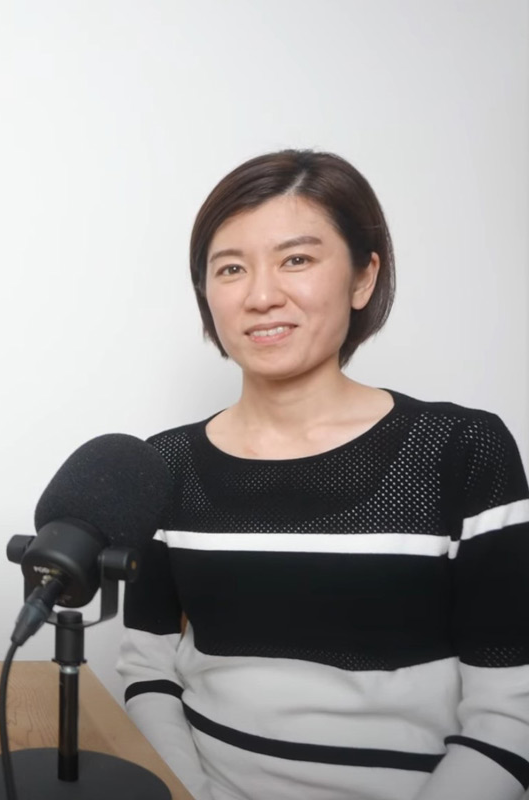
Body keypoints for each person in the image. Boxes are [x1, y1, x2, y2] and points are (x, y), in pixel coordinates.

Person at [118, 150, 529, 800]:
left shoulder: (461, 451)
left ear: (365, 278)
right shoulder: (162, 466)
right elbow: (148, 671)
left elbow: (512, 712)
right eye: (230, 269)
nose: (260, 295)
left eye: (297, 259)